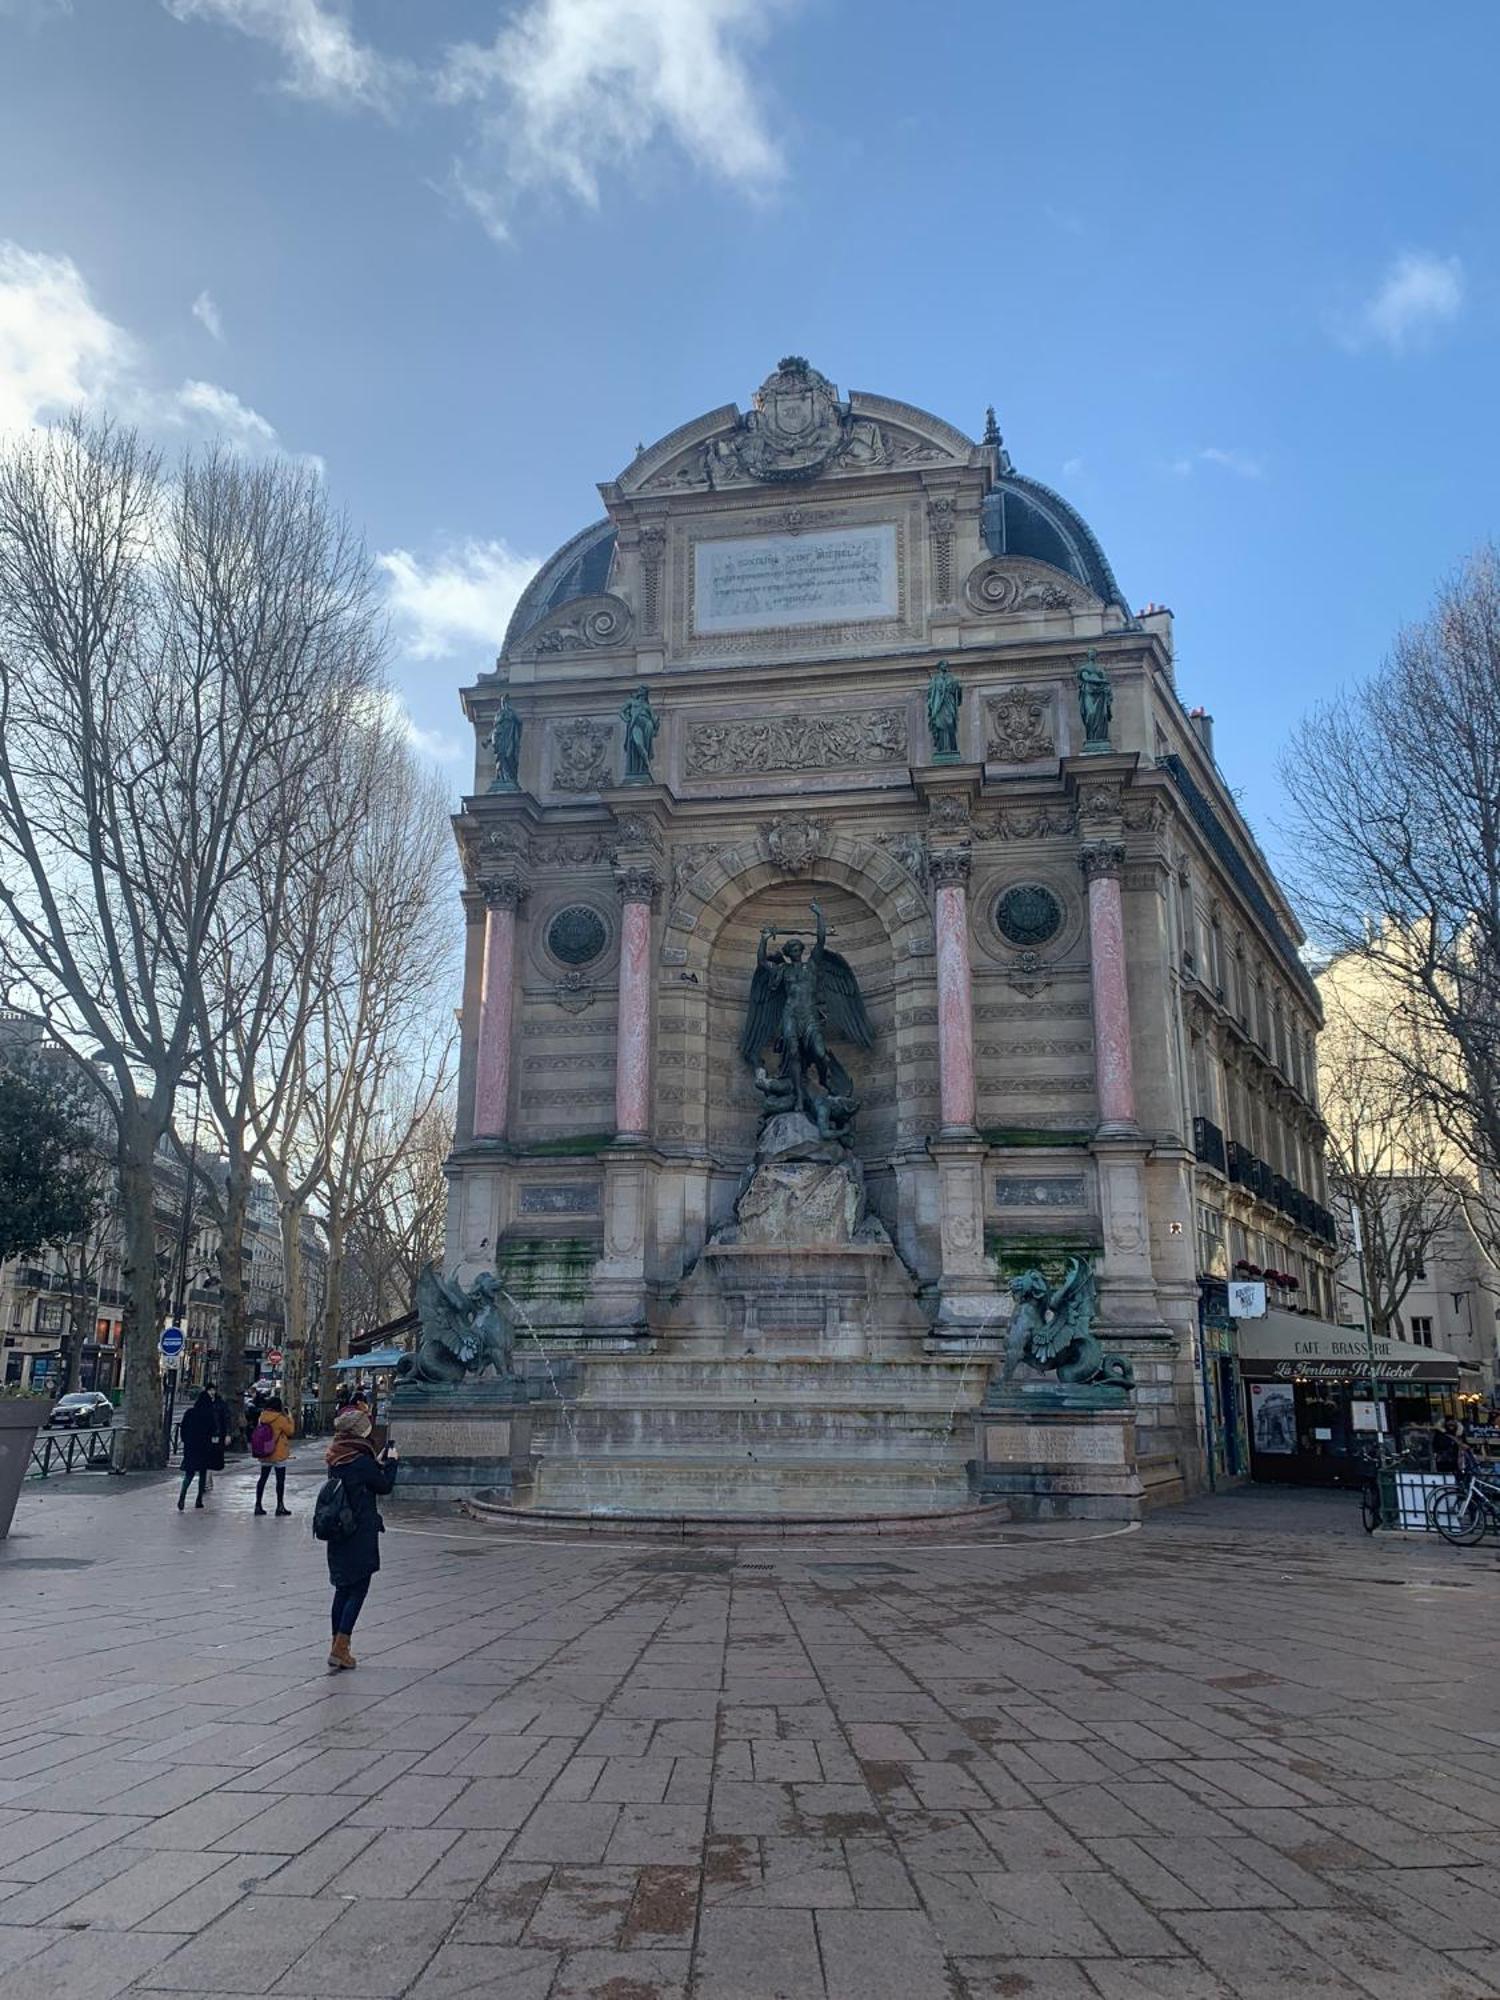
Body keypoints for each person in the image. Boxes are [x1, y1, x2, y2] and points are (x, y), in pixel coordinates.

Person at [323, 1407, 398, 1671]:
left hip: (338, 1531)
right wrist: (392, 1464)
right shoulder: (361, 1460)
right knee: (358, 1588)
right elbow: (383, 1486)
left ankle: (337, 1645)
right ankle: (341, 1647)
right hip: (359, 1530)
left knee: (342, 1588)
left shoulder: (337, 1455)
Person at [251, 1395, 295, 1516]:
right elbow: (290, 1431)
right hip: (278, 1452)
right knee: (280, 1480)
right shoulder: (280, 1418)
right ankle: (280, 1506)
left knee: (262, 1478)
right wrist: (289, 1417)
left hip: (265, 1452)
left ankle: (258, 1505)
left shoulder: (262, 1416)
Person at [176, 1389, 216, 1511]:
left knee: (189, 1473)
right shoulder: (209, 1414)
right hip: (204, 1446)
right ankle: (199, 1499)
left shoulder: (189, 1412)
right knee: (202, 1473)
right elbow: (213, 1430)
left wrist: (186, 1441)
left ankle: (182, 1495)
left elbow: (183, 1429)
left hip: (190, 1446)